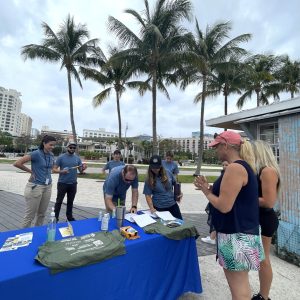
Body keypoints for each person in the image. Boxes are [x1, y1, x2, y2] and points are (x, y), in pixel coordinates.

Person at [194, 131, 264, 300]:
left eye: (217, 146)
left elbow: (224, 206)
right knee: (242, 284)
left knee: (238, 289)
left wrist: (206, 192)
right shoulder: (244, 166)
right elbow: (233, 200)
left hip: (236, 236)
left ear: (225, 146)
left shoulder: (234, 168)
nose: (215, 150)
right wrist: (211, 190)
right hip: (244, 233)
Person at [251, 140, 281, 300]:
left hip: (265, 219)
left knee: (263, 259)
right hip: (259, 218)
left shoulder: (267, 171)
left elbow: (269, 201)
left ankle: (264, 296)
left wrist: (244, 198)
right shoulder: (259, 171)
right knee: (260, 258)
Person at [13, 135, 57, 228]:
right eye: (51, 145)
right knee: (30, 215)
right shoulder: (36, 154)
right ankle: (24, 236)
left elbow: (52, 169)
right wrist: (30, 171)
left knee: (42, 214)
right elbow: (17, 163)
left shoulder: (51, 155)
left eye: (54, 145)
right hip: (36, 186)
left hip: (48, 186)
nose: (52, 147)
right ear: (44, 143)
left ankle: (38, 232)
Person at [52, 142, 87, 222]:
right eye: (71, 147)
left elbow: (80, 171)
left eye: (74, 148)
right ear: (67, 148)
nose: (72, 149)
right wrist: (62, 171)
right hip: (62, 183)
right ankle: (55, 217)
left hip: (73, 184)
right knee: (59, 201)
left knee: (70, 202)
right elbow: (54, 169)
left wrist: (83, 168)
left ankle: (69, 217)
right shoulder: (61, 157)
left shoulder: (77, 158)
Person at [143, 155, 183, 220]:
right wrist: (151, 208)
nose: (155, 170)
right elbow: (147, 195)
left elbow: (175, 184)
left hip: (172, 205)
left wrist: (180, 193)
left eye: (157, 167)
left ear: (161, 166)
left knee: (180, 224)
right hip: (159, 207)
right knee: (163, 228)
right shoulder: (148, 179)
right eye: (153, 167)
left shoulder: (168, 172)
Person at [201, 160, 229, 245]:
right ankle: (213, 236)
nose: (224, 166)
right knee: (215, 218)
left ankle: (213, 237)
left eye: (226, 165)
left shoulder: (228, 175)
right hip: (216, 198)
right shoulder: (223, 174)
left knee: (217, 218)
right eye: (223, 165)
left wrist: (208, 190)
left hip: (220, 200)